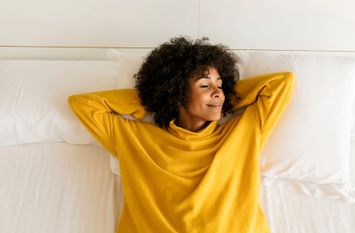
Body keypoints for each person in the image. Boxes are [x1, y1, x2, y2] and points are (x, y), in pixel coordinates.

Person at [68, 36, 294, 233]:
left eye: (220, 85)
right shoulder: (134, 138)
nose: (217, 92)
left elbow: (281, 84)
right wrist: (154, 99)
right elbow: (84, 105)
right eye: (205, 85)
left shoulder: (244, 131)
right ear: (176, 91)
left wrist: (222, 97)